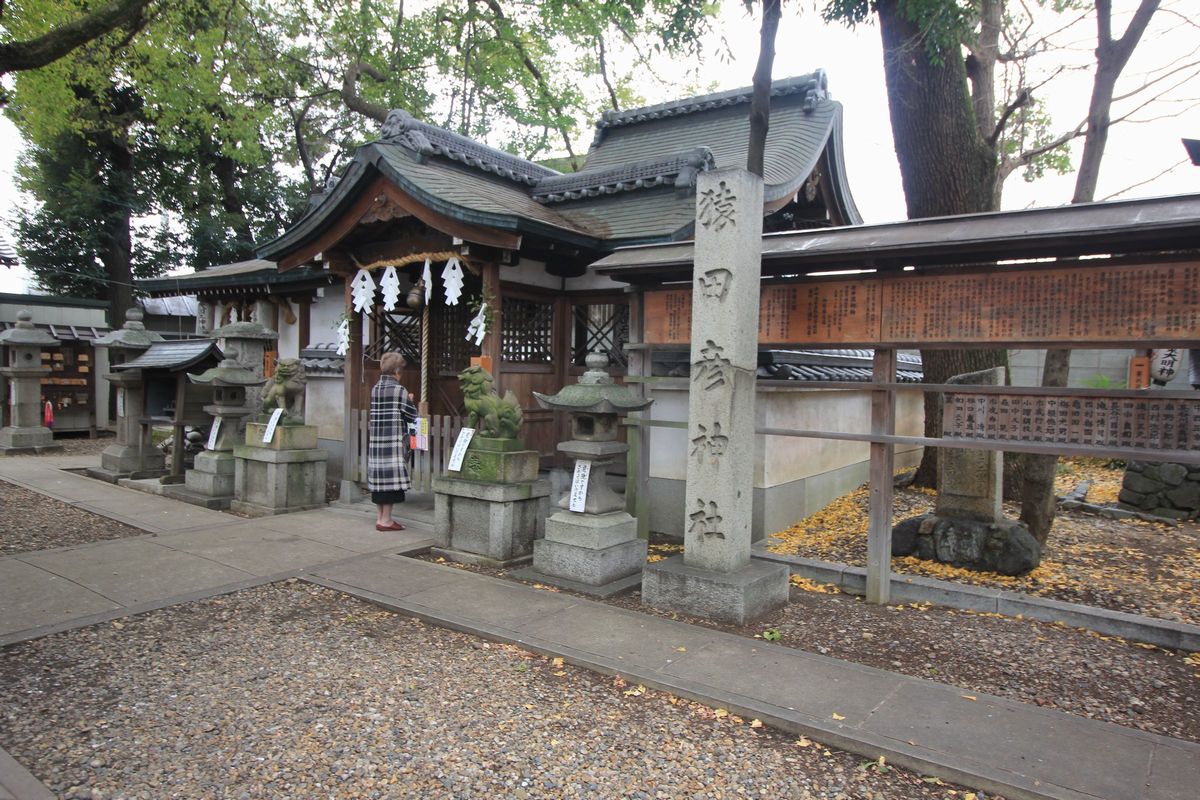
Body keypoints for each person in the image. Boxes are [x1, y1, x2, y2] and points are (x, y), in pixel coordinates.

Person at [368, 352, 417, 531]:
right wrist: (410, 401)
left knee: (379, 481)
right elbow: (411, 414)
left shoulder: (375, 388)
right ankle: (386, 520)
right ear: (396, 371)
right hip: (393, 441)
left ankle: (380, 518)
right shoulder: (399, 391)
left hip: (376, 441)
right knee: (390, 482)